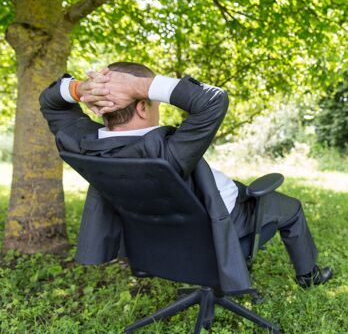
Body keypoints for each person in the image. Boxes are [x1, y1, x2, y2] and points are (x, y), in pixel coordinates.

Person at [39, 61, 332, 289]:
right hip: (221, 225)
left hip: (158, 236)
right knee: (290, 208)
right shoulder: (166, 152)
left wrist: (79, 89)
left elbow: (49, 102)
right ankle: (309, 275)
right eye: (149, 99)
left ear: (99, 105)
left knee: (242, 190)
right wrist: (143, 84)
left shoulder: (84, 145)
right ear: (143, 105)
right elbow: (213, 100)